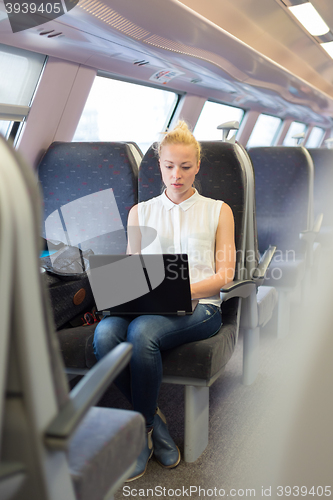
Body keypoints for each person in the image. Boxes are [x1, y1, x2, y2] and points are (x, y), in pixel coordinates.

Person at [93, 121, 236, 480]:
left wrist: (175, 291)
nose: (177, 175)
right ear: (159, 164)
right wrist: (111, 286)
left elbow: (225, 276)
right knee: (105, 335)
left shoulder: (219, 210)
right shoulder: (140, 213)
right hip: (148, 305)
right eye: (170, 166)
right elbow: (131, 271)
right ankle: (154, 420)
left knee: (143, 333)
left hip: (202, 307)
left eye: (186, 167)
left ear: (198, 166)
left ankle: (140, 435)